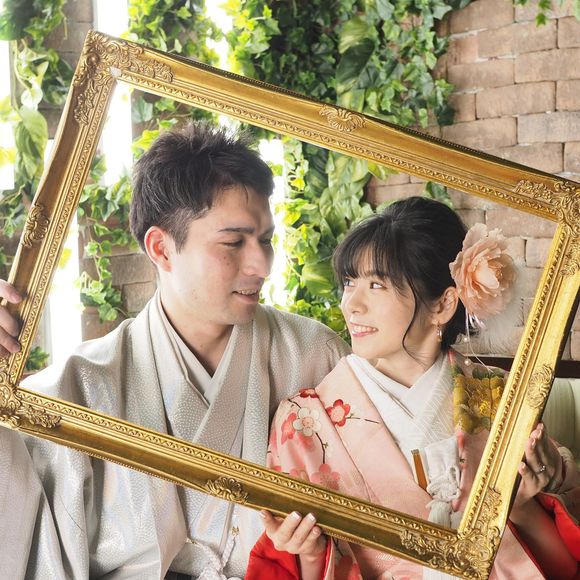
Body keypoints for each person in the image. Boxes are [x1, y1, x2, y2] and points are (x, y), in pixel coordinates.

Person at [0, 122, 350, 579]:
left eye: (265, 240)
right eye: (233, 242)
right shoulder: (77, 390)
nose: (261, 264)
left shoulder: (315, 356)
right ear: (161, 248)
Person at [246, 197, 580, 579]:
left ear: (442, 305)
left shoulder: (500, 398)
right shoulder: (303, 421)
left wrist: (521, 507)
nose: (351, 304)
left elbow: (564, 567)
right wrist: (310, 552)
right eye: (349, 282)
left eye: (376, 285)